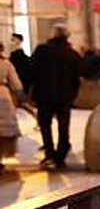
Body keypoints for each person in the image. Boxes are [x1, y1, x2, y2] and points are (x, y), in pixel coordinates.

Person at [29, 24, 82, 168]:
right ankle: (61, 154)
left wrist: (27, 90)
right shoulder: (72, 53)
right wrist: (73, 94)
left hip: (44, 95)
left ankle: (49, 153)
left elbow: (31, 70)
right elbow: (77, 77)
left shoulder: (42, 50)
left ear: (52, 35)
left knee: (45, 125)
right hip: (65, 96)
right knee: (64, 125)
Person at [0, 48, 23, 170]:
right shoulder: (6, 64)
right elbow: (16, 83)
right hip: (3, 95)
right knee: (3, 130)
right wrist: (20, 95)